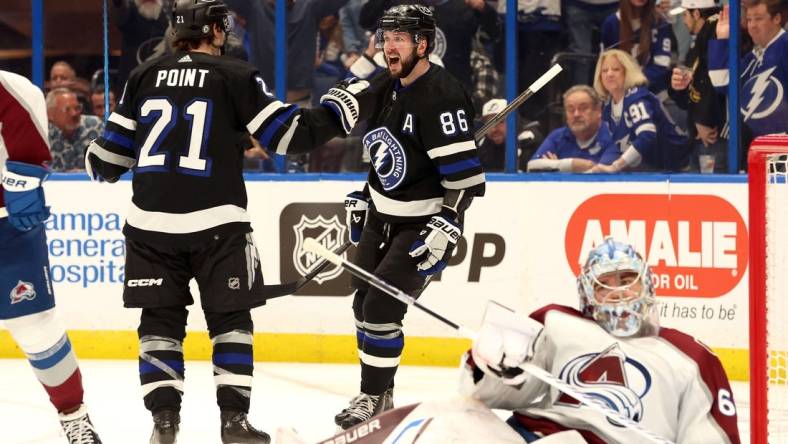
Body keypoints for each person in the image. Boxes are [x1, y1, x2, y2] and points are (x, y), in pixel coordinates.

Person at [84, 0, 378, 442]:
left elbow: (104, 163)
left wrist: (98, 152)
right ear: (216, 32)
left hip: (149, 228)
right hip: (218, 225)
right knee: (230, 322)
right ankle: (234, 423)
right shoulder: (236, 75)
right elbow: (291, 136)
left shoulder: (143, 76)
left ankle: (164, 424)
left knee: (159, 324)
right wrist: (340, 107)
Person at [335, 4, 486, 430]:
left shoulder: (443, 96)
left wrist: (448, 222)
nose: (389, 46)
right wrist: (365, 196)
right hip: (383, 217)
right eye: (386, 38)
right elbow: (383, 150)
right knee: (363, 300)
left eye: (399, 38)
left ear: (422, 44)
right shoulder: (387, 84)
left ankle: (369, 397)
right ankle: (382, 391)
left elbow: (464, 179)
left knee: (382, 307)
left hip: (423, 223)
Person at [461, 238, 741, 443]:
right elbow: (484, 396)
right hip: (537, 436)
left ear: (648, 284)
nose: (618, 292)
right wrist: (494, 367)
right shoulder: (556, 322)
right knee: (449, 418)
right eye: (604, 283)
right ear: (586, 293)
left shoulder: (692, 357)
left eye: (628, 279)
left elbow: (713, 437)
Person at [0, 70, 102, 443]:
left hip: (5, 228)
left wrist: (22, 187)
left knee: (37, 330)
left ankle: (74, 416)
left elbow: (28, 156)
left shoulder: (10, 88)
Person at [708, 0, 787, 166]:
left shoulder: (784, 48)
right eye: (749, 20)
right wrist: (723, 39)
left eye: (758, 19)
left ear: (777, 18)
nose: (752, 26)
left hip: (779, 152)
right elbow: (721, 84)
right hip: (753, 149)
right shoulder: (754, 56)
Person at [590, 49, 690, 172]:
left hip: (674, 167)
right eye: (604, 71)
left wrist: (615, 166)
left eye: (616, 69)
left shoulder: (636, 98)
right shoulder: (607, 106)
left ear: (627, 73)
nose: (609, 74)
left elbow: (647, 136)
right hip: (650, 167)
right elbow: (613, 146)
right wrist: (600, 167)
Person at [669, 0, 728, 173]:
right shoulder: (702, 37)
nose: (684, 21)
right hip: (702, 133)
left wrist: (703, 119)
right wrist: (677, 87)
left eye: (685, 15)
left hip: (712, 135)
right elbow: (693, 83)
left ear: (696, 14)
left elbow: (713, 81)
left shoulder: (715, 34)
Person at [527, 85, 620, 172]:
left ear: (598, 111)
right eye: (570, 109)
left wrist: (555, 167)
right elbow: (531, 166)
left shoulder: (613, 136)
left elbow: (602, 174)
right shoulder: (558, 136)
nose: (576, 114)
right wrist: (572, 164)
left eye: (583, 108)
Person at [601, 0, 675, 96]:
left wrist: (636, 82)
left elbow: (662, 62)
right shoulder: (611, 23)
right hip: (619, 91)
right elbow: (605, 65)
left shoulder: (659, 22)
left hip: (654, 90)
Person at [46, 88, 104, 172]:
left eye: (77, 108)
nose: (74, 113)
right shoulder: (44, 133)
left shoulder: (96, 126)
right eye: (67, 109)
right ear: (50, 114)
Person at [477, 98, 542, 172]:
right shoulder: (482, 145)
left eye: (500, 122)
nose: (493, 130)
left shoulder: (529, 140)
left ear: (513, 121)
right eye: (488, 124)